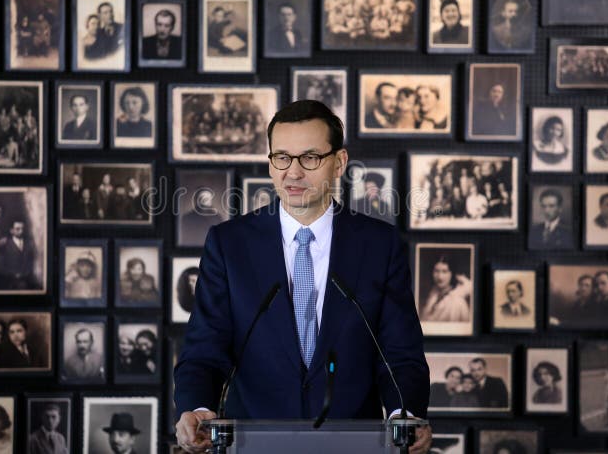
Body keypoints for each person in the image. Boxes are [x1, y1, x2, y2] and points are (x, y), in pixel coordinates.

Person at [173, 100, 431, 453]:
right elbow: (205, 348)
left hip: (351, 444)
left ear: (339, 163)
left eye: (310, 158)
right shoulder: (230, 243)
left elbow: (400, 354)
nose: (293, 173)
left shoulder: (379, 245)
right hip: (253, 443)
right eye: (281, 157)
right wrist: (199, 407)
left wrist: (406, 413)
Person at [0, 220, 38, 291]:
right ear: (11, 230)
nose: (21, 231)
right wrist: (12, 274)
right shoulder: (4, 244)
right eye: (18, 229)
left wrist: (25, 275)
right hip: (8, 282)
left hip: (26, 282)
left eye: (22, 229)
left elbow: (31, 262)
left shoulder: (29, 243)